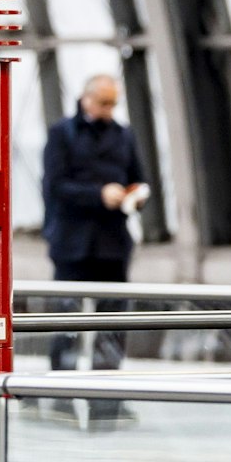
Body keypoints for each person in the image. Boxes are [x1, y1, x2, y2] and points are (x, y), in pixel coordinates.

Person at [41, 75, 148, 420]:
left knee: (112, 325)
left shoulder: (123, 135)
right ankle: (60, 397)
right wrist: (99, 194)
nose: (108, 109)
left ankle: (107, 401)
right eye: (103, 102)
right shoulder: (62, 134)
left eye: (113, 103)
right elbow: (55, 186)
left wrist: (134, 196)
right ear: (85, 99)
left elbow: (140, 177)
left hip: (112, 243)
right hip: (73, 241)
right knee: (65, 321)